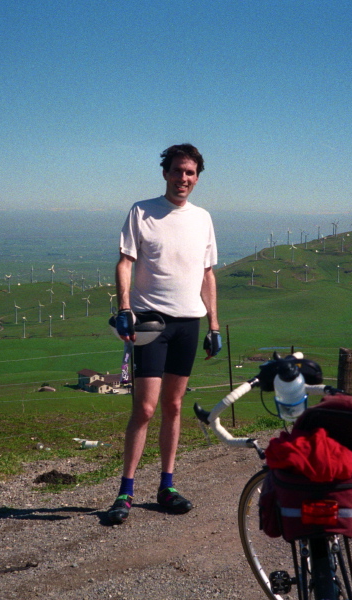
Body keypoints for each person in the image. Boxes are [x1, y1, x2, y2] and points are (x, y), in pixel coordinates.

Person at [107, 143, 222, 524]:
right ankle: (125, 492)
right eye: (177, 171)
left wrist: (214, 325)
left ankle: (166, 487)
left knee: (173, 407)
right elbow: (125, 262)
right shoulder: (142, 211)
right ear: (165, 173)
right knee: (145, 408)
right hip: (151, 322)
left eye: (190, 173)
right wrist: (125, 308)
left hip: (188, 323)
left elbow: (207, 274)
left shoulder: (203, 218)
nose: (183, 179)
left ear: (197, 177)